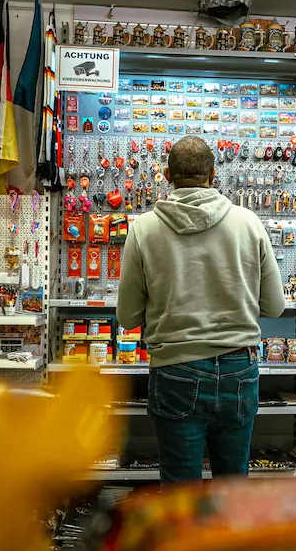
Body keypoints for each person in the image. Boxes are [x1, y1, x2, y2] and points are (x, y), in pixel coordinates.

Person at [117, 135, 285, 483]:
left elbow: (127, 316)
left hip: (175, 369)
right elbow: (275, 306)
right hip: (239, 367)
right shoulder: (248, 223)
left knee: (181, 495)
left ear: (167, 175)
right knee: (232, 490)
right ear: (213, 174)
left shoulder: (144, 229)